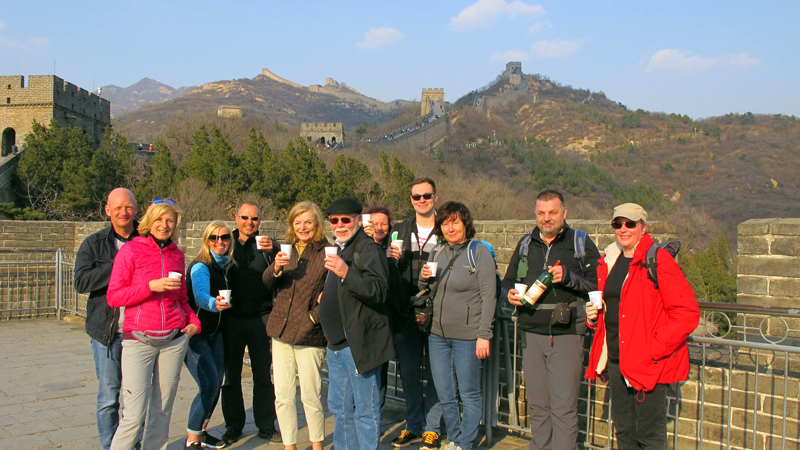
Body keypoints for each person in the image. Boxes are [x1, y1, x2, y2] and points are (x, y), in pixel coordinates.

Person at [585, 203, 699, 449]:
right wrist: (593, 317)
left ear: (643, 228)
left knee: (649, 436)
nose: (623, 229)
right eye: (618, 224)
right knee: (624, 432)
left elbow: (687, 313)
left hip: (647, 364)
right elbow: (614, 307)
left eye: (630, 224)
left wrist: (653, 350)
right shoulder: (609, 260)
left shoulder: (657, 260)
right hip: (617, 360)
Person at [503, 190, 600, 450]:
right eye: (541, 213)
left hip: (566, 334)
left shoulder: (580, 242)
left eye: (553, 212)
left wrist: (568, 276)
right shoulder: (526, 243)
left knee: (563, 408)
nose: (547, 218)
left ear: (564, 213)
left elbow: (597, 284)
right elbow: (507, 282)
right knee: (537, 406)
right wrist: (510, 294)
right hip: (531, 333)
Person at [107, 199, 201, 450]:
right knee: (133, 415)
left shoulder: (177, 255)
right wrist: (150, 287)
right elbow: (114, 296)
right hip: (139, 340)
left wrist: (193, 321)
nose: (164, 225)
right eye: (159, 219)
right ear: (149, 221)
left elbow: (181, 298)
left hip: (173, 340)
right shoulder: (131, 251)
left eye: (170, 220)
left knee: (162, 413)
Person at [419, 201, 496, 450]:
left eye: (455, 222)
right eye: (445, 223)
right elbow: (426, 291)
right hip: (437, 335)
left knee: (469, 393)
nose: (450, 228)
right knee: (444, 392)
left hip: (468, 336)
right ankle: (453, 438)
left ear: (465, 223)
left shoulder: (478, 252)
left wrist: (484, 334)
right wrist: (423, 278)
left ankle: (465, 443)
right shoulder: (438, 252)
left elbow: (489, 295)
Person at [320, 196, 394, 450]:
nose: (340, 225)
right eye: (334, 220)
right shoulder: (339, 248)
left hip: (358, 345)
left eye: (345, 220)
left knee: (365, 411)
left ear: (358, 221)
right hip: (336, 346)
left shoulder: (368, 249)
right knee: (340, 410)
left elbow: (380, 291)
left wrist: (345, 272)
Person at [74, 188, 141, 450]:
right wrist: (118, 264)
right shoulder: (94, 244)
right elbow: (81, 282)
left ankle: (132, 444)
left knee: (136, 397)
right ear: (107, 210)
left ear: (136, 209)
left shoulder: (145, 241)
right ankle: (110, 446)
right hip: (107, 332)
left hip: (138, 332)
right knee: (109, 398)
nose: (123, 212)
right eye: (118, 207)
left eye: (128, 207)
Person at [263, 201, 330, 450]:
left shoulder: (327, 251)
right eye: (297, 222)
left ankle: (317, 445)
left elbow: (332, 294)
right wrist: (277, 266)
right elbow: (267, 280)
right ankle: (289, 445)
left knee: (311, 396)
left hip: (310, 333)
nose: (303, 227)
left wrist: (314, 318)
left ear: (317, 224)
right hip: (280, 330)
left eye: (308, 222)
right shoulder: (286, 250)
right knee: (283, 396)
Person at [386, 177, 444, 449]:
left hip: (438, 312)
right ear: (411, 200)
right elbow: (388, 271)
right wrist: (392, 260)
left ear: (435, 197)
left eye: (426, 196)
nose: (422, 200)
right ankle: (413, 425)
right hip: (406, 312)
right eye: (416, 197)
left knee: (436, 373)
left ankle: (432, 427)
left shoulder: (446, 228)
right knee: (409, 372)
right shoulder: (399, 230)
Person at [221, 202, 280, 444]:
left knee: (263, 376)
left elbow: (282, 266)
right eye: (244, 217)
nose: (249, 222)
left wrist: (275, 248)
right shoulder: (225, 242)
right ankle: (233, 425)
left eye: (254, 218)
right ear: (236, 218)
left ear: (260, 220)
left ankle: (265, 425)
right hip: (232, 319)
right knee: (231, 376)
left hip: (261, 318)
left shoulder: (266, 245)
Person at [184, 221, 236, 449]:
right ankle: (191, 440)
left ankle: (201, 431)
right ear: (206, 241)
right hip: (196, 335)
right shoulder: (201, 267)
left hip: (216, 334)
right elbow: (200, 296)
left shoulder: (226, 266)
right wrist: (213, 304)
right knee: (208, 385)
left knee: (216, 384)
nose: (219, 242)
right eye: (213, 238)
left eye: (224, 237)